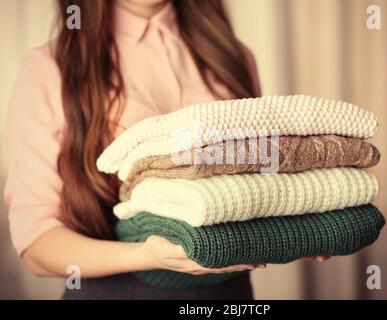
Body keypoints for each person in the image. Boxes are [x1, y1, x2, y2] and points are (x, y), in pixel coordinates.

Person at [4, 0, 327, 300]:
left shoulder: (233, 57)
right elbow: (37, 244)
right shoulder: (51, 67)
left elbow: (263, 175)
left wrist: (301, 228)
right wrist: (147, 255)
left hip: (231, 296)